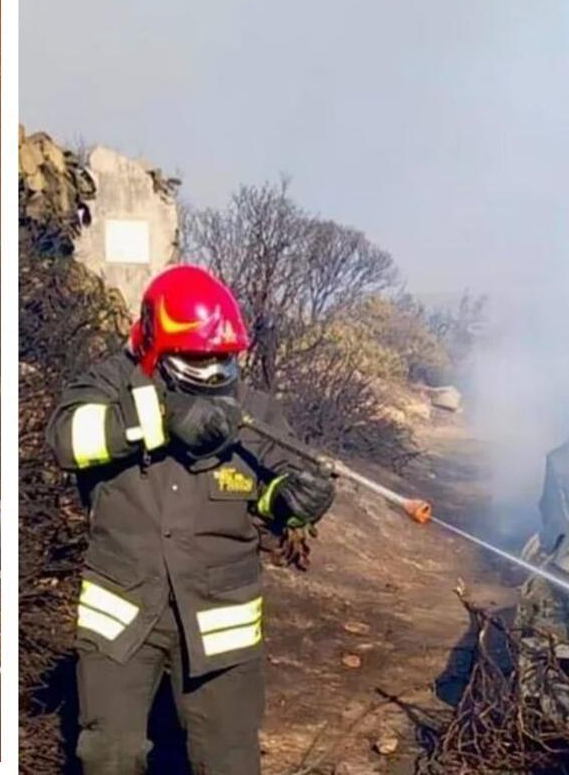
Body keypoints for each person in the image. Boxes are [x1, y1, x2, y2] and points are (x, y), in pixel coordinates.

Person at [48, 264, 337, 775]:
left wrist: (292, 499)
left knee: (228, 761)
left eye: (221, 360)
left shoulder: (253, 410)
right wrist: (156, 417)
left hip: (220, 622)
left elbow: (272, 487)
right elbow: (67, 439)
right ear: (156, 346)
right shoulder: (110, 383)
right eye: (196, 359)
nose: (210, 371)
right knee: (110, 756)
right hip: (124, 614)